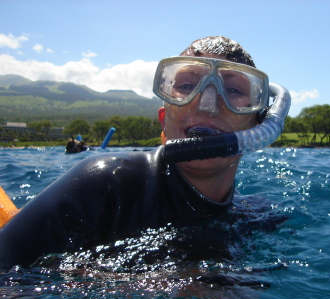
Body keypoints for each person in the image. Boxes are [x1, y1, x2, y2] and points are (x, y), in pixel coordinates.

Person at [0, 36, 290, 270]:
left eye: (234, 90)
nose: (207, 103)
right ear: (165, 119)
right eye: (187, 85)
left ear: (258, 124)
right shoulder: (104, 184)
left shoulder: (256, 218)